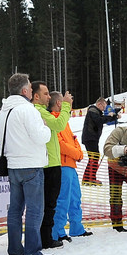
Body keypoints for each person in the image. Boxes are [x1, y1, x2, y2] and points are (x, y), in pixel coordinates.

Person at [0, 73, 52, 255]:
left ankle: (14, 248)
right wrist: (45, 127)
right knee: (35, 210)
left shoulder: (3, 111)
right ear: (25, 90)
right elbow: (40, 136)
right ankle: (32, 249)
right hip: (30, 165)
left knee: (15, 209)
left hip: (13, 165)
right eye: (29, 86)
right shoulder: (28, 110)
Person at [30, 82, 71, 249]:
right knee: (48, 203)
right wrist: (67, 105)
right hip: (48, 164)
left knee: (49, 203)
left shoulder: (40, 112)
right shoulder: (38, 111)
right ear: (36, 96)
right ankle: (45, 239)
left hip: (51, 162)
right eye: (46, 93)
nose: (49, 97)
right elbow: (59, 125)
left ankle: (46, 237)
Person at [50, 91, 90, 241]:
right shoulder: (54, 120)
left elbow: (72, 139)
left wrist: (78, 152)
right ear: (59, 103)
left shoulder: (64, 121)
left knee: (75, 197)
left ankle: (76, 227)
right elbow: (60, 145)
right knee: (63, 199)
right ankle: (58, 231)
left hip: (70, 165)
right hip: (62, 165)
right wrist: (76, 153)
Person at [81, 97, 118, 186]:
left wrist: (114, 116)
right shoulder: (93, 111)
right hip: (90, 138)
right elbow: (100, 120)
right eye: (104, 106)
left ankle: (87, 178)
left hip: (91, 138)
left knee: (93, 158)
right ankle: (90, 178)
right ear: (99, 104)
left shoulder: (96, 112)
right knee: (94, 157)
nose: (104, 109)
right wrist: (111, 116)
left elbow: (103, 118)